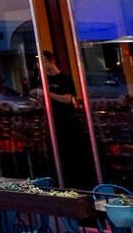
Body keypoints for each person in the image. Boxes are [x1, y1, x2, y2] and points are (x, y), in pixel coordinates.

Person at [39, 51, 96, 188]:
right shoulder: (42, 80)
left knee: (72, 154)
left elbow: (68, 99)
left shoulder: (64, 79)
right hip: (52, 123)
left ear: (51, 61)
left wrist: (47, 94)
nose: (41, 65)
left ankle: (77, 184)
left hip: (68, 123)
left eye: (44, 61)